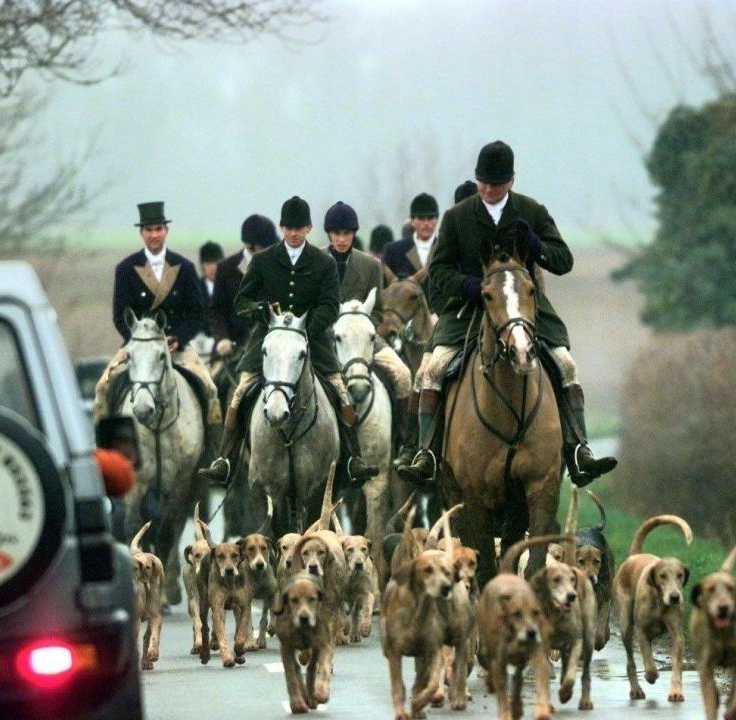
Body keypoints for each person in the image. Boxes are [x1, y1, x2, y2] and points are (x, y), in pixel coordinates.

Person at [397, 142, 617, 487]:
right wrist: (467, 285)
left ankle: (579, 449)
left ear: (510, 182)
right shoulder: (457, 217)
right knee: (433, 368)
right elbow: (438, 269)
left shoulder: (531, 210)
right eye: (482, 183)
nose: (486, 190)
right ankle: (422, 452)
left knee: (565, 365)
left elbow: (564, 261)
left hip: (524, 308)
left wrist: (537, 247)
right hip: (468, 309)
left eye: (494, 185)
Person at [199, 196, 378, 487]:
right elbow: (242, 300)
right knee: (241, 390)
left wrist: (307, 327)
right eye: (288, 228)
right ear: (282, 228)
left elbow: (331, 305)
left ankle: (353, 459)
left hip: (313, 341)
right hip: (266, 341)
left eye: (299, 228)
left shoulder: (323, 263)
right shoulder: (262, 260)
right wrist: (261, 311)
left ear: (308, 228)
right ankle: (225, 459)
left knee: (340, 390)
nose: (293, 233)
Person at [93, 201, 222, 443]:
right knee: (102, 387)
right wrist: (137, 341)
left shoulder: (184, 267)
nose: (154, 235)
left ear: (166, 231)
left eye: (158, 229)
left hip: (176, 346)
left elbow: (197, 313)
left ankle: (214, 457)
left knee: (209, 388)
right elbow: (119, 314)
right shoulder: (125, 269)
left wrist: (178, 338)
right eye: (149, 230)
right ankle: (105, 452)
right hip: (138, 346)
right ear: (141, 233)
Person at [323, 201, 413, 437]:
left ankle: (405, 440)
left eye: (346, 234)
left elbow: (378, 312)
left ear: (353, 234)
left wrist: (360, 324)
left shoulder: (372, 265)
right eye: (336, 234)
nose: (341, 239)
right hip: (325, 339)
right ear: (329, 234)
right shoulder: (315, 262)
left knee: (403, 374)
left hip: (364, 339)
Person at [210, 213, 279, 353]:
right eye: (266, 246)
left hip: (272, 347)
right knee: (208, 374)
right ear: (249, 245)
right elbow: (216, 310)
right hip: (233, 349)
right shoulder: (226, 268)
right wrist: (222, 338)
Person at [198, 240, 224, 307]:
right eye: (208, 263)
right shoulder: (194, 288)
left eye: (216, 262)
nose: (213, 268)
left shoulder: (231, 287)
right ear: (202, 265)